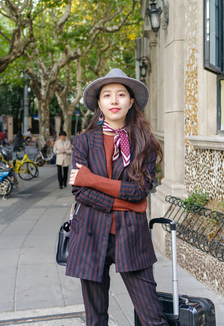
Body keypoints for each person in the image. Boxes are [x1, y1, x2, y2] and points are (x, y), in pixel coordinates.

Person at [67, 68, 167, 326]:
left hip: (131, 236)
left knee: (151, 317)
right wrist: (127, 204)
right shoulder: (84, 142)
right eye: (107, 95)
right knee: (96, 318)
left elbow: (139, 191)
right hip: (90, 235)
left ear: (131, 101)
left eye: (121, 95)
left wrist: (92, 179)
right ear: (99, 103)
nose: (114, 101)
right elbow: (79, 191)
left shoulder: (144, 143)